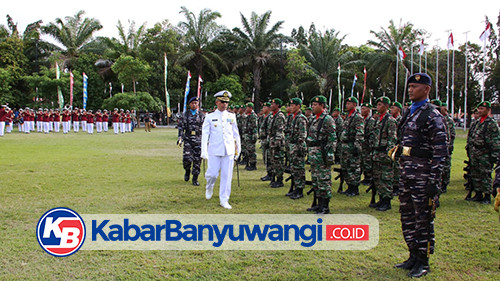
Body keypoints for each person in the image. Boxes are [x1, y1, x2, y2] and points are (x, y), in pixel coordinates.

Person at [393, 73, 447, 278]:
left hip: (423, 175)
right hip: (407, 172)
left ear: (426, 89)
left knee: (423, 218)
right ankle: (413, 255)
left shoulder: (432, 115)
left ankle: (423, 261)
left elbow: (440, 150)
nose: (410, 89)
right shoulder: (409, 112)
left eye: (415, 86)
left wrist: (434, 181)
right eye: (409, 86)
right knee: (407, 215)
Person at [201, 90, 241, 209]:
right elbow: (205, 134)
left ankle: (224, 199)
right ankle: (210, 185)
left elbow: (236, 134)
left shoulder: (231, 116)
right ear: (217, 102)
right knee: (212, 174)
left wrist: (238, 149)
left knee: (226, 176)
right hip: (214, 150)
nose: (224, 105)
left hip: (228, 150)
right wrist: (204, 151)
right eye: (222, 102)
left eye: (226, 102)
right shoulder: (210, 116)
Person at [306, 95, 336, 213]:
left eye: (315, 105)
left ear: (322, 106)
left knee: (324, 180)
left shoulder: (327, 119)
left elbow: (332, 138)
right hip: (314, 153)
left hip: (322, 153)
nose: (313, 107)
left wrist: (329, 155)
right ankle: (318, 203)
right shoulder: (314, 118)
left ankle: (325, 206)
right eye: (312, 105)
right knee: (316, 180)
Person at [466, 101, 500, 204]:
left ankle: (487, 196)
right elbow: (471, 136)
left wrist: (494, 156)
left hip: (485, 153)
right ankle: (478, 194)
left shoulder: (491, 124)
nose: (479, 111)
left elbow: (495, 141)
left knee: (485, 174)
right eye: (479, 109)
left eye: (482, 109)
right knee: (475, 174)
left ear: (488, 110)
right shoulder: (476, 122)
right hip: (475, 152)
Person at [370, 97, 398, 211]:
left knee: (386, 178)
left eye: (381, 104)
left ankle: (386, 201)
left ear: (386, 107)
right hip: (377, 152)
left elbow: (392, 139)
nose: (378, 107)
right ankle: (381, 199)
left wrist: (389, 155)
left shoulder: (390, 120)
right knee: (377, 177)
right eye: (377, 104)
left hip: (384, 153)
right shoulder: (378, 119)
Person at [339, 97, 364, 196]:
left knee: (353, 167)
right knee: (346, 167)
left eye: (349, 103)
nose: (347, 105)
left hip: (352, 145)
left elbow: (360, 132)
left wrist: (357, 146)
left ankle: (354, 188)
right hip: (345, 146)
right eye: (347, 103)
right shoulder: (348, 116)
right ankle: (349, 186)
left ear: (354, 104)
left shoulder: (357, 117)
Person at [178, 97, 205, 186]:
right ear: (189, 104)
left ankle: (195, 178)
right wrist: (180, 138)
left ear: (198, 105)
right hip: (188, 139)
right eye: (192, 103)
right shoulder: (185, 115)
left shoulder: (202, 116)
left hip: (198, 139)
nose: (194, 104)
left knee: (197, 160)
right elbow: (181, 127)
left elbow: (206, 129)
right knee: (187, 158)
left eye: (196, 103)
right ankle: (187, 170)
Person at [287, 98, 308, 199]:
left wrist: (299, 147)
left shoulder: (301, 118)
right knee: (294, 168)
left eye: (293, 105)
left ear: (298, 106)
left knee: (299, 169)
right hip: (292, 146)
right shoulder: (293, 117)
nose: (291, 107)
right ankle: (295, 188)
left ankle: (299, 190)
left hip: (298, 146)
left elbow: (302, 135)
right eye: (290, 105)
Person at [268, 98, 286, 188]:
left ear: (278, 105)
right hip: (273, 141)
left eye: (273, 104)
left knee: (278, 160)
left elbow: (280, 130)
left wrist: (276, 142)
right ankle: (274, 177)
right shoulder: (273, 115)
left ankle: (279, 180)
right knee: (273, 160)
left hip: (278, 143)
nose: (271, 105)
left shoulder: (280, 116)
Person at [360, 103, 376, 185]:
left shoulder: (371, 120)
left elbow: (371, 134)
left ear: (369, 110)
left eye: (364, 109)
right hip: (362, 144)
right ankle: (365, 176)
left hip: (367, 144)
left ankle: (369, 178)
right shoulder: (362, 119)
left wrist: (370, 145)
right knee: (363, 161)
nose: (362, 110)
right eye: (362, 109)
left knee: (368, 161)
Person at [259, 102, 273, 181]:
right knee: (266, 157)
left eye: (265, 107)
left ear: (269, 108)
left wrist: (268, 141)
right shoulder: (264, 117)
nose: (263, 109)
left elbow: (269, 130)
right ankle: (268, 172)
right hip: (264, 139)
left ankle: (270, 174)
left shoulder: (270, 117)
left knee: (269, 157)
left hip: (267, 140)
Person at [243, 102, 258, 171]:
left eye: (247, 107)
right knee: (248, 150)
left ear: (251, 108)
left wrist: (254, 136)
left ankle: (253, 164)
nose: (246, 109)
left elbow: (254, 127)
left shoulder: (253, 116)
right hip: (247, 135)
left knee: (252, 150)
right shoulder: (248, 116)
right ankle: (249, 163)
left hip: (251, 135)